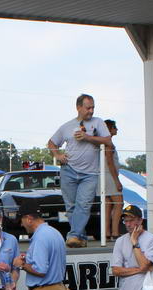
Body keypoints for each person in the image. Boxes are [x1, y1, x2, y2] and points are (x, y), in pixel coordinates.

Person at [47, 94, 112, 248]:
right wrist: (58, 155)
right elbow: (51, 142)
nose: (91, 111)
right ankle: (80, 237)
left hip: (89, 173)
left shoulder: (99, 122)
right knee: (71, 206)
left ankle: (74, 235)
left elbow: (108, 140)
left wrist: (87, 137)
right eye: (88, 107)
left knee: (83, 204)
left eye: (93, 107)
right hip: (68, 169)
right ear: (78, 107)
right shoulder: (67, 126)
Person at [13, 199, 68, 290]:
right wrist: (29, 259)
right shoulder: (53, 232)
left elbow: (40, 269)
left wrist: (21, 265)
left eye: (22, 220)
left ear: (29, 219)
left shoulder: (40, 237)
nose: (21, 224)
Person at [101, 119, 123, 241]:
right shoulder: (108, 143)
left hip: (102, 176)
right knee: (119, 202)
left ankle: (106, 232)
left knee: (108, 204)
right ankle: (115, 232)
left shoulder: (102, 143)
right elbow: (110, 162)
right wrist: (117, 181)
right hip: (109, 175)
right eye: (114, 127)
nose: (116, 129)